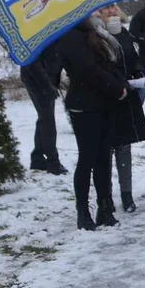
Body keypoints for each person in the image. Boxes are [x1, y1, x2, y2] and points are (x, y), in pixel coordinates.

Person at [58, 17, 130, 230]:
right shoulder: (69, 36)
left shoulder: (94, 33)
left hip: (104, 102)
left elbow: (108, 64)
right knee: (87, 157)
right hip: (84, 105)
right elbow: (87, 70)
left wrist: (120, 83)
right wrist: (114, 88)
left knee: (103, 157)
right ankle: (82, 211)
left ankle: (104, 206)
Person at [95, 5, 145, 213]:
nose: (110, 12)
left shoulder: (126, 34)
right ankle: (105, 196)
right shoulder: (96, 35)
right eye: (105, 8)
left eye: (112, 7)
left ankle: (126, 195)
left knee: (124, 147)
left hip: (127, 96)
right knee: (106, 148)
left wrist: (137, 73)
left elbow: (135, 59)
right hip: (105, 96)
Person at [20, 47, 67, 174]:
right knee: (48, 120)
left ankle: (37, 158)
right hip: (35, 79)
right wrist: (48, 86)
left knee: (45, 118)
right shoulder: (38, 38)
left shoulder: (58, 35)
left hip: (48, 79)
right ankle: (53, 162)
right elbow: (33, 64)